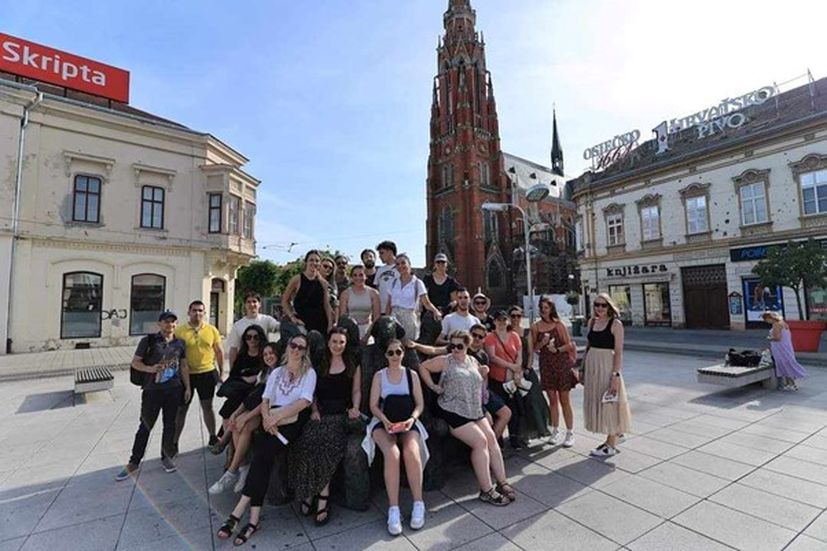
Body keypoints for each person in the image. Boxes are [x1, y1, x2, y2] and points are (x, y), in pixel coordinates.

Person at [217, 334, 316, 546]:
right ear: (287, 347)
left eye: (301, 347)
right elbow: (265, 400)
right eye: (293, 345)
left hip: (292, 421)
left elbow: (304, 402)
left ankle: (239, 513)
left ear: (305, 351)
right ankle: (251, 520)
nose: (296, 350)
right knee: (262, 458)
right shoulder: (277, 372)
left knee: (262, 456)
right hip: (271, 419)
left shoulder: (309, 373)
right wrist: (267, 418)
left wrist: (276, 418)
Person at [420, 330, 514, 506]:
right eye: (452, 345)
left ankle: (502, 482)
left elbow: (479, 384)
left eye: (459, 346)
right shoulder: (446, 360)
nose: (455, 349)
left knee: (491, 438)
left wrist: (483, 376)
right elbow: (423, 366)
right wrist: (433, 386)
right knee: (480, 441)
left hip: (474, 408)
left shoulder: (473, 361)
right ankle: (486, 490)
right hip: (452, 409)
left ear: (467, 346)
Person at [290, 327, 362, 525]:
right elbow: (311, 391)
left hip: (340, 415)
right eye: (334, 341)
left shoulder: (352, 364)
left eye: (341, 342)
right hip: (320, 413)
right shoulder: (319, 363)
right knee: (307, 442)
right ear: (328, 342)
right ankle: (309, 491)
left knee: (326, 445)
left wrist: (355, 407)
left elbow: (356, 391)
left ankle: (323, 496)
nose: (337, 345)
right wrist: (314, 409)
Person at [362, 339, 429, 536]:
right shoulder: (379, 376)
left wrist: (411, 419)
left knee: (412, 451)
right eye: (390, 352)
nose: (394, 356)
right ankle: (393, 509)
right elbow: (373, 405)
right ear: (386, 355)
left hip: (407, 421)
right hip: (384, 422)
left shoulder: (411, 375)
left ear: (403, 353)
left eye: (398, 352)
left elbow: (419, 404)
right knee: (392, 454)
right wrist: (385, 421)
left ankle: (418, 503)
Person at [116, 311, 190, 480]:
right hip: (152, 390)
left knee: (170, 425)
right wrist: (150, 369)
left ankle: (166, 457)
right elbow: (135, 362)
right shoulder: (148, 341)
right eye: (166, 321)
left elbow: (184, 366)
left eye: (173, 322)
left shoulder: (180, 343)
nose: (170, 324)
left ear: (176, 324)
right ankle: (134, 462)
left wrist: (187, 388)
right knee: (145, 426)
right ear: (159, 323)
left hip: (174, 389)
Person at [209, 342, 280, 495]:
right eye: (265, 354)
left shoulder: (280, 374)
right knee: (236, 424)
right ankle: (243, 468)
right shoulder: (263, 373)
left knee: (245, 426)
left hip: (269, 412)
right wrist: (236, 413)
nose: (268, 357)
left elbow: (266, 401)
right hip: (254, 408)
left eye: (271, 353)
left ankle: (230, 472)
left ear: (278, 354)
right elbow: (252, 396)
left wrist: (246, 416)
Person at [583, 293, 631, 457]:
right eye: (597, 305)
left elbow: (618, 352)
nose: (600, 308)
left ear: (609, 306)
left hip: (607, 366)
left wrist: (615, 375)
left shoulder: (615, 324)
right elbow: (588, 345)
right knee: (598, 399)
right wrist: (582, 368)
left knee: (609, 402)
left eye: (603, 305)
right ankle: (616, 435)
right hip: (592, 366)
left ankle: (610, 444)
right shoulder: (592, 322)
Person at [174, 300, 224, 452]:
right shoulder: (180, 331)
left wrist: (222, 372)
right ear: (188, 312)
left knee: (207, 407)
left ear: (204, 313)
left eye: (200, 310)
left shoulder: (211, 330)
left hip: (207, 373)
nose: (197, 313)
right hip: (186, 375)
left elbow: (219, 351)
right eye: (194, 310)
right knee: (181, 410)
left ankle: (212, 437)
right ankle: (174, 442)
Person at [530, 297, 577, 448]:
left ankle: (570, 432)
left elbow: (570, 345)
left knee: (565, 400)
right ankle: (555, 431)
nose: (544, 310)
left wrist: (556, 349)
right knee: (552, 400)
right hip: (546, 366)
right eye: (542, 307)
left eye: (547, 307)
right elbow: (533, 348)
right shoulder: (535, 327)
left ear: (551, 309)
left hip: (561, 365)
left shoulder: (558, 325)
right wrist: (542, 343)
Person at [212, 324, 267, 452]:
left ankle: (224, 441)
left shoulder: (264, 354)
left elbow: (265, 372)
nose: (252, 340)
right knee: (227, 410)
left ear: (260, 338)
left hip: (254, 392)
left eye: (256, 337)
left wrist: (254, 377)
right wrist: (244, 378)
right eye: (249, 337)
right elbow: (234, 374)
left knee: (236, 410)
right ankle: (229, 447)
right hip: (240, 390)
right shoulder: (242, 355)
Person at [485, 310, 527, 449]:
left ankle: (515, 438)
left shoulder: (514, 335)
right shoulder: (490, 337)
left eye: (504, 319)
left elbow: (519, 354)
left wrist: (517, 369)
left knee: (515, 409)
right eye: (499, 320)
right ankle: (499, 439)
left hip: (513, 380)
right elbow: (492, 357)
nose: (502, 322)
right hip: (497, 379)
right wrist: (510, 366)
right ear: (494, 322)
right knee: (499, 410)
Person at [386, 253, 442, 342]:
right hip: (394, 317)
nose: (400, 266)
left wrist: (435, 311)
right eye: (397, 264)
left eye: (403, 263)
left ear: (409, 264)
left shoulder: (417, 283)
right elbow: (389, 304)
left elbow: (426, 302)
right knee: (394, 343)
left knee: (409, 344)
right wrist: (387, 319)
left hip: (410, 317)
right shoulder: (393, 282)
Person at [282, 250, 335, 335]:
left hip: (320, 323)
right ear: (306, 262)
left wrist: (330, 324)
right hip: (302, 323)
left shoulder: (323, 283)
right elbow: (285, 300)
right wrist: (292, 317)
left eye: (317, 261)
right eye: (311, 260)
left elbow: (326, 305)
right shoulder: (297, 279)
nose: (314, 263)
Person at [228, 291, 280, 366]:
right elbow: (233, 349)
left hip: (264, 360)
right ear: (245, 305)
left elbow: (279, 327)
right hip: (245, 361)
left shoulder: (267, 320)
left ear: (259, 304)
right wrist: (232, 369)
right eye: (248, 302)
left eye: (254, 301)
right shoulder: (238, 325)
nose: (252, 304)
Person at [763, 311, 807, 390]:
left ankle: (791, 384)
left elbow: (777, 338)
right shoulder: (783, 323)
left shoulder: (776, 324)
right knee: (787, 363)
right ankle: (788, 383)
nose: (766, 322)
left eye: (766, 320)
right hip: (786, 346)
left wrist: (769, 338)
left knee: (784, 364)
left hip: (780, 347)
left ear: (769, 318)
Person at [338, 265, 381, 341]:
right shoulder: (345, 294)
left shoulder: (374, 293)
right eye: (355, 275)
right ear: (351, 277)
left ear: (366, 276)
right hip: (350, 331)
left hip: (368, 330)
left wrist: (367, 336)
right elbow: (343, 317)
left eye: (361, 275)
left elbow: (376, 318)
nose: (358, 278)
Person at [374, 240, 400, 316]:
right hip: (382, 309)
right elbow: (377, 289)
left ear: (390, 252)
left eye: (382, 253)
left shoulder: (400, 268)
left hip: (396, 309)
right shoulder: (380, 270)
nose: (380, 256)